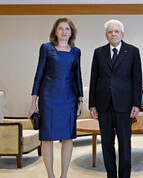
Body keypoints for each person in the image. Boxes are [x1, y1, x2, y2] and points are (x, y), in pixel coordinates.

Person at [28, 17, 83, 178]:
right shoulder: (46, 48)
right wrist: (33, 102)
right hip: (49, 98)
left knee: (68, 138)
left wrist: (80, 100)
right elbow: (39, 75)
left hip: (69, 98)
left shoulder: (76, 51)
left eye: (67, 29)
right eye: (61, 28)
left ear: (71, 32)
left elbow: (77, 76)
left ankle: (64, 175)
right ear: (55, 31)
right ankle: (50, 175)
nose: (64, 31)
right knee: (47, 138)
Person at [89, 19, 142, 178]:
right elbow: (94, 79)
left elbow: (137, 79)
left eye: (116, 31)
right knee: (106, 144)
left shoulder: (132, 51)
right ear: (106, 35)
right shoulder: (99, 52)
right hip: (103, 105)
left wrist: (137, 103)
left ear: (122, 34)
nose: (113, 34)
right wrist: (92, 104)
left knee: (125, 144)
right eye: (110, 31)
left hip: (124, 106)